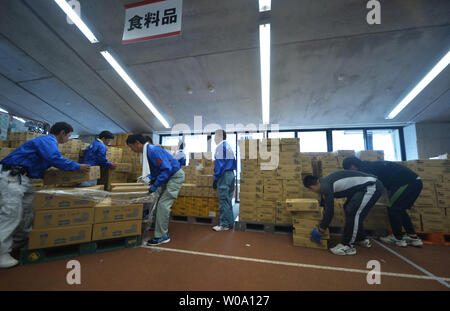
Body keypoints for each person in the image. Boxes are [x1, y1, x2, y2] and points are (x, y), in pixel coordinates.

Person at [0, 122, 90, 268]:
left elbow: (45, 163)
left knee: (27, 212)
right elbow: (54, 159)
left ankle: (18, 243)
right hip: (13, 177)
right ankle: (1, 253)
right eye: (68, 135)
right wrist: (77, 166)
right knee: (11, 214)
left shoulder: (47, 143)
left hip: (25, 179)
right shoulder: (47, 140)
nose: (68, 139)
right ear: (62, 133)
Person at [343, 157, 423, 247]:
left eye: (349, 169)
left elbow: (365, 187)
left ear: (352, 166)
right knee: (400, 209)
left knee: (392, 208)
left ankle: (397, 237)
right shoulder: (369, 165)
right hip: (415, 182)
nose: (351, 172)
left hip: (406, 183)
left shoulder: (365, 170)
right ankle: (412, 237)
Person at [303, 170, 383, 256]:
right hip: (361, 188)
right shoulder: (324, 183)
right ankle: (361, 238)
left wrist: (321, 230)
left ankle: (347, 246)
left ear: (311, 187)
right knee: (348, 208)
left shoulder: (325, 187)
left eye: (312, 190)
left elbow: (330, 212)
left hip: (371, 186)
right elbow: (325, 205)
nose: (314, 192)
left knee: (352, 212)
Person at [126, 134, 185, 246]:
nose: (131, 150)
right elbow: (156, 170)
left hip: (174, 176)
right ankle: (158, 226)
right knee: (159, 203)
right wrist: (150, 179)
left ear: (137, 143)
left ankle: (162, 236)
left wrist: (155, 185)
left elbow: (166, 169)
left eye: (131, 147)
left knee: (163, 204)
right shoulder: (147, 151)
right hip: (168, 177)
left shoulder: (152, 151)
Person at [212, 130, 237, 232]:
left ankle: (224, 224)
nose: (214, 139)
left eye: (215, 136)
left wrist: (215, 178)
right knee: (228, 200)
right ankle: (230, 223)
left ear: (219, 137)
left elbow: (219, 164)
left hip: (224, 175)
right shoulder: (228, 146)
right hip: (231, 174)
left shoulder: (220, 147)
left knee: (223, 200)